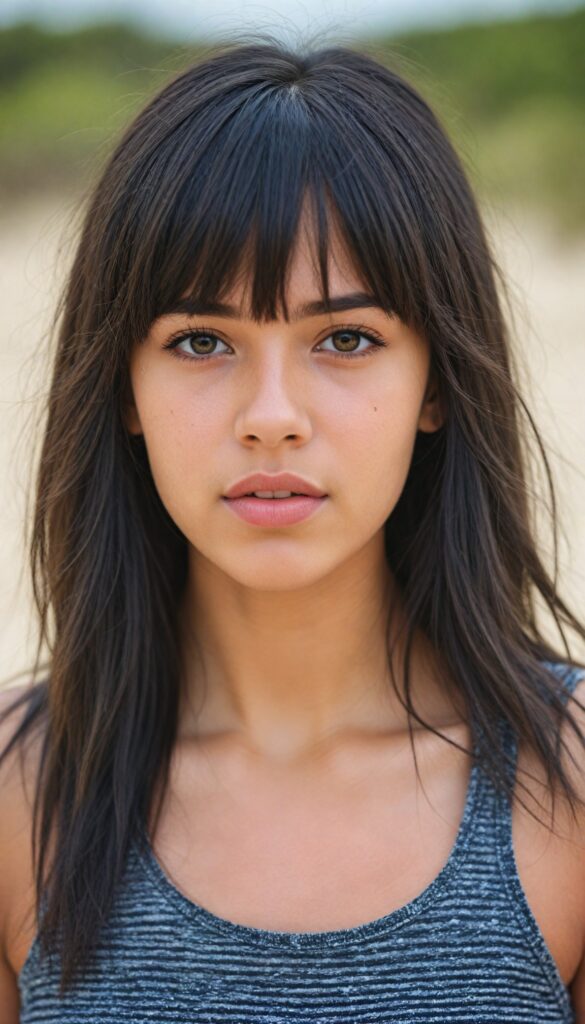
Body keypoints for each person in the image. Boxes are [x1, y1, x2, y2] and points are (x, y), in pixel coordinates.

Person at [1, 33, 584, 1023]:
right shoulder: (23, 796)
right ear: (124, 388)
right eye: (200, 340)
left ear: (436, 381)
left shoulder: (564, 785)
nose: (272, 413)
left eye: (346, 339)